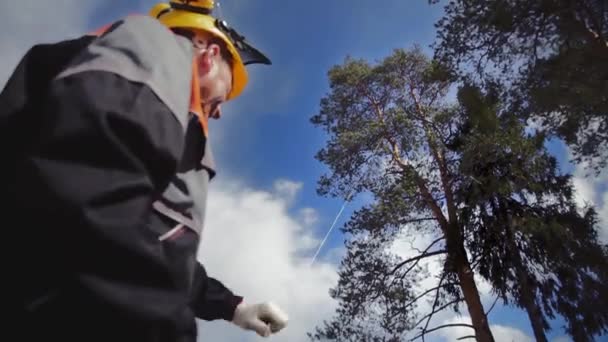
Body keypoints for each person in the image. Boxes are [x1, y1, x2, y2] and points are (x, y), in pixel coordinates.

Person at [0, 0, 288, 341]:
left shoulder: (132, 86)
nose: (219, 113)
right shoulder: (157, 51)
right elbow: (92, 208)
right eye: (220, 100)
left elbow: (149, 238)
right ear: (209, 56)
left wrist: (233, 307)